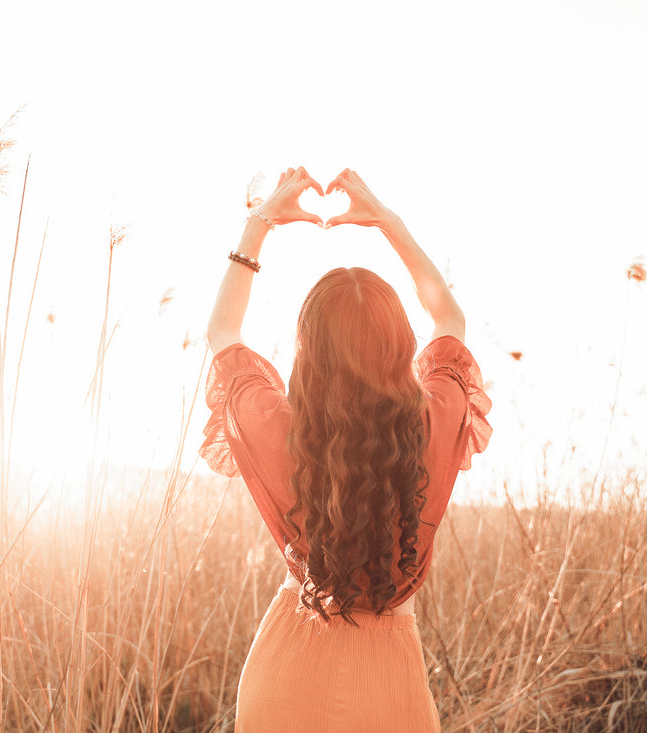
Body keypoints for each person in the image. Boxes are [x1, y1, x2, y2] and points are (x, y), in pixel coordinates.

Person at [200, 166, 491, 731]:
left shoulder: (281, 429)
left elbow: (223, 332)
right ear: (400, 345)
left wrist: (260, 224)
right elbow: (449, 318)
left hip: (287, 667)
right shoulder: (432, 421)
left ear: (308, 352)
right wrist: (388, 222)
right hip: (389, 683)